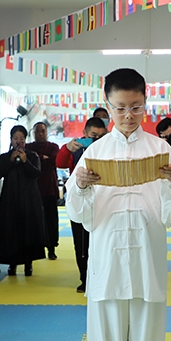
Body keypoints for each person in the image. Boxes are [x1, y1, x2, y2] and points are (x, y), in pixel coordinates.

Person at [66, 68, 171, 341]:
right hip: (105, 262)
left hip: (148, 257)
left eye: (136, 107)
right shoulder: (95, 151)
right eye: (120, 108)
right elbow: (77, 213)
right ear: (107, 106)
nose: (129, 116)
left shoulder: (160, 149)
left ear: (145, 104)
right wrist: (83, 187)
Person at [56, 116, 108, 292]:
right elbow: (60, 163)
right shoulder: (75, 148)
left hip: (103, 202)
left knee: (103, 242)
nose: (96, 140)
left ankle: (102, 277)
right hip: (79, 201)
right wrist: (66, 149)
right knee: (81, 243)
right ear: (84, 133)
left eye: (101, 136)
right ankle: (84, 278)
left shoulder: (109, 149)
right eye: (93, 135)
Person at [0, 125, 47, 277]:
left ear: (25, 140)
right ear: (11, 140)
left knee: (28, 230)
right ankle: (12, 265)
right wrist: (10, 160)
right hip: (9, 199)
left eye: (21, 139)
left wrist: (25, 161)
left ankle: (28, 264)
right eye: (15, 138)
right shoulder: (4, 156)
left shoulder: (33, 156)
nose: (18, 142)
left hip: (29, 199)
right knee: (11, 230)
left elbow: (36, 174)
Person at [26, 122, 61, 260]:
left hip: (49, 190)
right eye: (37, 131)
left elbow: (53, 162)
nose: (40, 134)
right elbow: (31, 163)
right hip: (32, 190)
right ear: (33, 133)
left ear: (47, 132)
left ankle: (51, 248)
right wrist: (42, 159)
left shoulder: (53, 147)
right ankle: (35, 250)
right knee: (33, 221)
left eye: (43, 131)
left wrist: (37, 159)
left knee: (51, 221)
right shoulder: (28, 147)